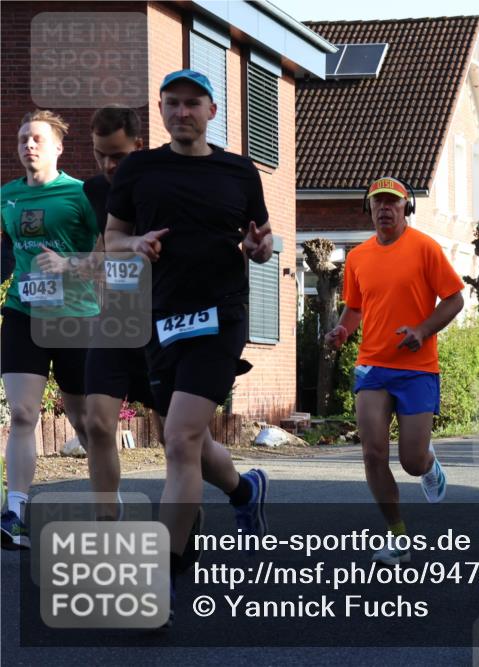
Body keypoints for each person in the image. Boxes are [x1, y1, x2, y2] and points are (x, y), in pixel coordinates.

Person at [104, 70, 272, 619]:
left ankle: (165, 577)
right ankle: (244, 490)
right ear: (160, 110)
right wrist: (136, 243)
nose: (182, 112)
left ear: (212, 111)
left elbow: (262, 245)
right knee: (190, 440)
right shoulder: (138, 169)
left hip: (221, 316)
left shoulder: (239, 170)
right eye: (172, 104)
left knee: (178, 441)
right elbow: (112, 240)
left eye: (192, 103)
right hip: (159, 318)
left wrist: (257, 246)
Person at [325, 175, 464, 565]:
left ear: (407, 208)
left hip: (418, 368)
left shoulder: (425, 249)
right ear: (368, 208)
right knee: (372, 452)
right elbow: (354, 308)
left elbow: (454, 300)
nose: (385, 208)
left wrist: (422, 330)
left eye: (393, 202)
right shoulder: (357, 257)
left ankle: (429, 464)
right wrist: (341, 330)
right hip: (372, 365)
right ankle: (397, 534)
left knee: (411, 461)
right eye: (377, 202)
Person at [1, 110, 99, 549]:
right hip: (24, 312)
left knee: (85, 421)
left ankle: (106, 509)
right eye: (23, 139)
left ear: (58, 147)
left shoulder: (80, 196)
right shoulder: (7, 197)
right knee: (23, 414)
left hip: (76, 315)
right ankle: (16, 512)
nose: (29, 146)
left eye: (37, 139)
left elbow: (111, 258)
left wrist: (68, 265)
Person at [77, 106, 148, 521]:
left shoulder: (159, 185)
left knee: (183, 437)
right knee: (99, 423)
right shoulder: (93, 191)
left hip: (161, 323)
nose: (108, 165)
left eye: (117, 156)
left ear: (138, 146)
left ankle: (239, 487)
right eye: (100, 154)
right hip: (114, 321)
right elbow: (94, 247)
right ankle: (107, 522)